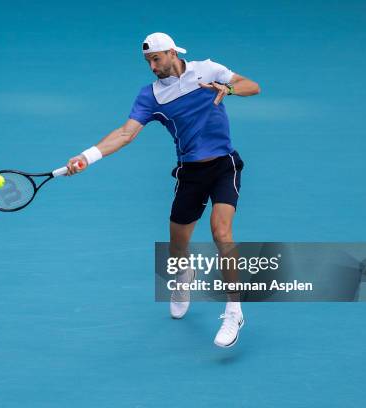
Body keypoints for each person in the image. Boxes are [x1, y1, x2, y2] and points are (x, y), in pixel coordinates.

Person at [65, 32, 260, 348]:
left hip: (225, 165)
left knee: (221, 233)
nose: (152, 66)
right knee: (177, 247)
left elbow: (253, 86)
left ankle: (234, 311)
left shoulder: (207, 69)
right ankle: (184, 277)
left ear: (171, 53)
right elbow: (126, 133)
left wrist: (229, 88)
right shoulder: (151, 96)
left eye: (156, 59)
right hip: (191, 173)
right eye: (148, 62)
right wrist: (88, 156)